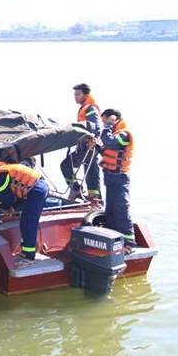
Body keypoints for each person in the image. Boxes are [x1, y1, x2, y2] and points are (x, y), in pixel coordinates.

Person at [0, 161, 49, 265]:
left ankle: (30, 257)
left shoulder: (0, 176)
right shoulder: (7, 170)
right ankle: (25, 251)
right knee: (24, 222)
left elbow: (6, 198)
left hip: (36, 190)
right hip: (37, 188)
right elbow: (22, 190)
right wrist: (13, 207)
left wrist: (4, 209)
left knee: (29, 222)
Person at [99, 108, 135, 252]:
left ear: (113, 119)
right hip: (110, 176)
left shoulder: (124, 135)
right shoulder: (114, 135)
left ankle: (129, 243)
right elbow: (108, 149)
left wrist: (108, 125)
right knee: (111, 210)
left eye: (106, 121)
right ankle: (114, 240)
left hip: (119, 177)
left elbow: (109, 141)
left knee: (121, 208)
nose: (105, 125)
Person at [60, 83, 102, 201]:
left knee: (66, 165)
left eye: (78, 94)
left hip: (88, 146)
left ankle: (76, 189)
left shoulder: (91, 109)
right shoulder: (85, 108)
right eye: (75, 95)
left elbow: (95, 126)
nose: (76, 97)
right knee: (92, 172)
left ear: (86, 94)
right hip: (90, 147)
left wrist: (92, 137)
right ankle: (95, 198)